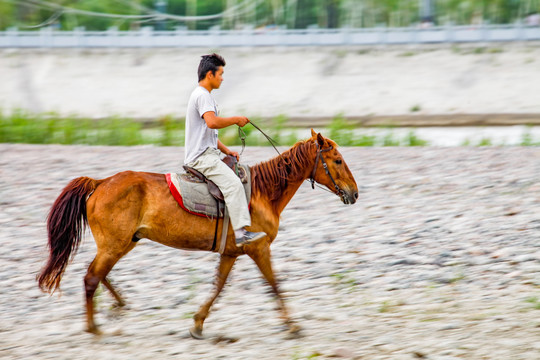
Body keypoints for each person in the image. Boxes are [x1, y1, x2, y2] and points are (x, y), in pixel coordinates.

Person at [184, 53, 266, 247]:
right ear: (210, 74)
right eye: (220, 73)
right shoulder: (203, 96)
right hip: (201, 158)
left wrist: (227, 150)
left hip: (206, 153)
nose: (222, 78)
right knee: (234, 184)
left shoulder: (203, 96)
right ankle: (240, 233)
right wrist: (236, 120)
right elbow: (212, 123)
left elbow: (208, 134)